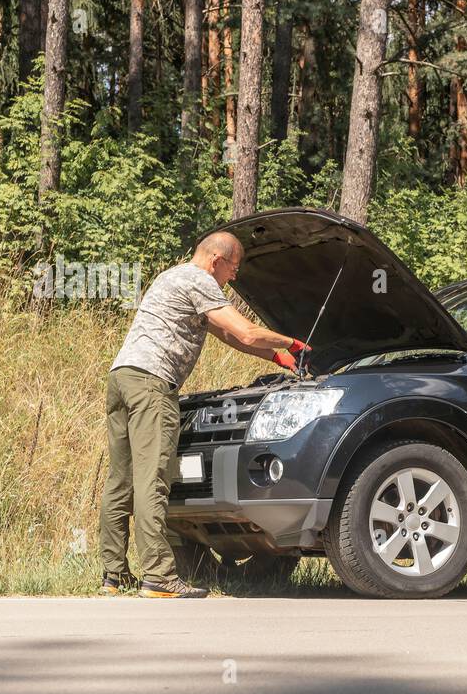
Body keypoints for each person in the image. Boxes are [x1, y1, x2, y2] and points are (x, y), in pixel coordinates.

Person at [98, 231, 311, 598]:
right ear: (217, 260)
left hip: (122, 378)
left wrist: (276, 358)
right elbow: (244, 331)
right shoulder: (200, 280)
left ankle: (113, 576)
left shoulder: (173, 276)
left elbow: (226, 335)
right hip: (152, 384)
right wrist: (292, 342)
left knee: (121, 481)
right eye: (234, 268)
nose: (234, 277)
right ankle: (159, 577)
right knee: (153, 479)